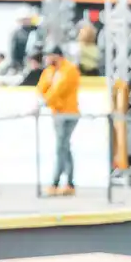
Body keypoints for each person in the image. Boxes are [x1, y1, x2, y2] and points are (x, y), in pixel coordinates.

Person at [36, 46, 80, 196]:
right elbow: (41, 87)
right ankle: (68, 182)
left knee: (61, 147)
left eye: (49, 56)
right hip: (57, 113)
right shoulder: (50, 71)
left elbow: (58, 90)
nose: (46, 59)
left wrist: (44, 101)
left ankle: (57, 182)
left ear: (57, 56)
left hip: (69, 114)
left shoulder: (69, 70)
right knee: (64, 147)